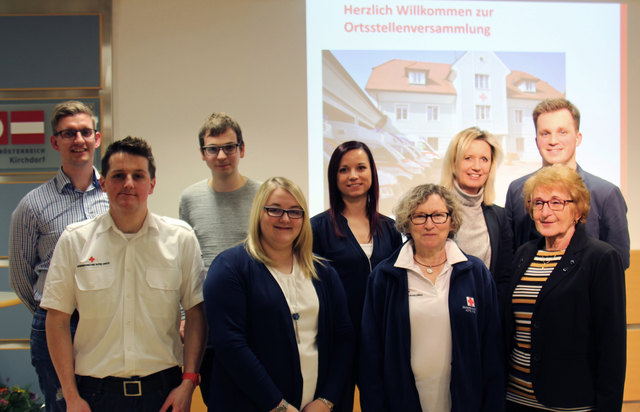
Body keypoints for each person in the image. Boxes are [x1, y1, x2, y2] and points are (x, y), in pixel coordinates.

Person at [40, 137, 207, 412]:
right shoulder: (75, 241)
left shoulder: (180, 239)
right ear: (103, 183)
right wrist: (71, 396)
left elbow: (196, 314)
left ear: (151, 184)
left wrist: (188, 383)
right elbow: (56, 320)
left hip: (163, 393)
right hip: (94, 395)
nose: (128, 183)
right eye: (119, 175)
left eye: (138, 175)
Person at [204, 177, 354, 412]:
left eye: (295, 212)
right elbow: (231, 345)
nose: (285, 218)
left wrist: (327, 399)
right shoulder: (229, 268)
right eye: (274, 210)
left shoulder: (324, 273)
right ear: (258, 213)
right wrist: (278, 405)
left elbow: (344, 338)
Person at [359, 184, 504, 412]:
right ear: (407, 223)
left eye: (438, 215)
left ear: (451, 221)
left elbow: (492, 350)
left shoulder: (475, 273)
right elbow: (370, 354)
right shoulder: (385, 277)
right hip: (402, 402)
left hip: (465, 402)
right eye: (419, 216)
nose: (429, 224)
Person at [8, 100, 109, 412]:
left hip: (106, 322)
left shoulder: (116, 195)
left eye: (84, 132)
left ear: (97, 138)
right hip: (55, 324)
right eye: (68, 134)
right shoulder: (32, 205)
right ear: (55, 142)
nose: (78, 140)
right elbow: (21, 277)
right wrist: (49, 313)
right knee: (62, 406)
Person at [504, 164, 626, 411]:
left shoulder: (600, 258)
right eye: (538, 203)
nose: (545, 212)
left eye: (556, 202)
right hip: (516, 397)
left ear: (578, 210)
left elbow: (611, 346)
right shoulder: (524, 254)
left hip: (570, 402)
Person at [311, 140, 402, 410]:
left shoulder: (391, 229)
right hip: (336, 342)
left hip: (381, 341)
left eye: (361, 167)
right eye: (343, 169)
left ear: (372, 173)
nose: (353, 175)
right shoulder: (316, 229)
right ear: (333, 177)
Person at [178, 112, 260, 404]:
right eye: (213, 148)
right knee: (218, 401)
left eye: (229, 146)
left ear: (242, 149)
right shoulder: (189, 199)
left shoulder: (263, 195)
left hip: (256, 321)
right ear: (203, 154)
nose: (222, 155)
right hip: (210, 323)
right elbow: (186, 264)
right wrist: (186, 316)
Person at [505, 98, 629, 268]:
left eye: (562, 132)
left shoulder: (606, 194)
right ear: (536, 140)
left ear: (578, 138)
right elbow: (510, 259)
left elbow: (618, 261)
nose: (553, 140)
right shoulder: (516, 190)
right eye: (545, 133)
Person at [441, 127, 513, 303]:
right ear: (453, 163)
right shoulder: (434, 212)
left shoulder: (499, 216)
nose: (477, 167)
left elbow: (504, 277)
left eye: (484, 159)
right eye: (468, 158)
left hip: (485, 314)